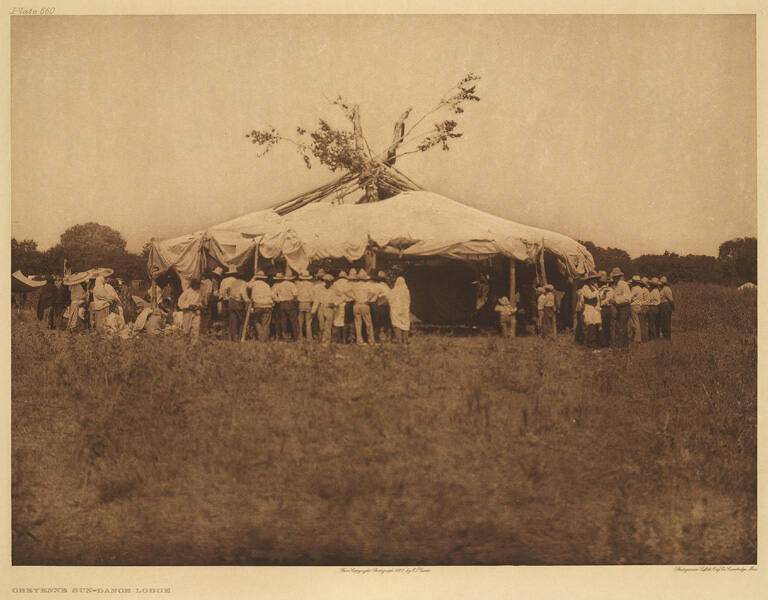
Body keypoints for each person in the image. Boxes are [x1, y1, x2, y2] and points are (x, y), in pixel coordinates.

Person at [219, 265, 249, 341]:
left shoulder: (224, 280)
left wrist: (225, 297)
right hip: (236, 301)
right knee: (239, 319)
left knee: (228, 319)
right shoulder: (239, 282)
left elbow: (222, 291)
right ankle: (239, 336)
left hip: (226, 300)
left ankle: (226, 336)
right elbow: (242, 292)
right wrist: (247, 300)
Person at [350, 269, 376, 345]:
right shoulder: (367, 285)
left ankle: (359, 341)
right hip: (364, 304)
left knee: (358, 324)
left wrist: (354, 298)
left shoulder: (354, 285)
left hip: (356, 304)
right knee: (368, 323)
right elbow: (373, 292)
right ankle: (371, 340)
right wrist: (368, 299)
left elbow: (346, 292)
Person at [246, 270, 274, 342]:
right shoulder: (267, 285)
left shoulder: (254, 284)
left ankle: (261, 336)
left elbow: (247, 285)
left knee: (255, 321)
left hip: (258, 305)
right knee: (266, 323)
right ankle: (265, 338)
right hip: (268, 305)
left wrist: (253, 278)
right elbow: (271, 294)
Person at [271, 270, 299, 340]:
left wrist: (278, 299)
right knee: (293, 321)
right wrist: (294, 300)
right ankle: (295, 337)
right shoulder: (292, 285)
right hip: (290, 303)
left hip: (282, 304)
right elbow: (295, 294)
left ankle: (284, 336)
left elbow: (273, 294)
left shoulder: (280, 285)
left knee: (283, 320)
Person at [312, 273, 338, 346]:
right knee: (321, 325)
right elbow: (317, 299)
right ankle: (322, 338)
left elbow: (342, 297)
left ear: (331, 282)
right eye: (326, 281)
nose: (327, 282)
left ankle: (327, 340)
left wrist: (335, 303)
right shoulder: (320, 289)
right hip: (321, 307)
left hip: (329, 307)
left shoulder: (335, 289)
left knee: (328, 325)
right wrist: (313, 310)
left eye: (329, 281)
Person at [580, 272, 602, 349]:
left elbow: (598, 299)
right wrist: (597, 292)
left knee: (595, 327)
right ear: (589, 280)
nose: (594, 281)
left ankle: (594, 344)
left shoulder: (595, 287)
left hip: (595, 309)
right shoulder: (585, 287)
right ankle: (591, 345)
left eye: (595, 279)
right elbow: (589, 296)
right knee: (591, 326)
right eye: (592, 279)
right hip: (589, 308)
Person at [610, 267, 631, 348]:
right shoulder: (615, 286)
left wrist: (616, 300)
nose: (615, 278)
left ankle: (622, 345)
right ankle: (622, 344)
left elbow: (627, 298)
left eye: (616, 276)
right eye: (614, 277)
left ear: (619, 276)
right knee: (619, 326)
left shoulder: (623, 284)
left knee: (622, 326)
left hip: (624, 307)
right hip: (618, 308)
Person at [388, 276, 411, 343]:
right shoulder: (406, 291)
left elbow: (390, 299)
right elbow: (409, 300)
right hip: (404, 310)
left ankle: (399, 341)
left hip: (396, 310)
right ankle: (405, 340)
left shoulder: (394, 290)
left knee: (397, 324)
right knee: (405, 324)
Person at [331, 270, 352, 343]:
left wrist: (335, 302)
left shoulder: (335, 283)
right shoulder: (347, 283)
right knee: (344, 322)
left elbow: (333, 294)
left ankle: (337, 339)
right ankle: (344, 339)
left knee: (336, 321)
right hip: (344, 303)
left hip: (336, 304)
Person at [370, 271, 391, 342]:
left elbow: (374, 295)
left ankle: (377, 338)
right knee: (386, 322)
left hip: (381, 305)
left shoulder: (377, 285)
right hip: (387, 305)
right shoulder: (386, 286)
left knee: (377, 322)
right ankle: (387, 337)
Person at [295, 270, 315, 342]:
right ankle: (309, 337)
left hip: (300, 303)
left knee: (300, 321)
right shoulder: (311, 285)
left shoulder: (298, 284)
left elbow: (296, 294)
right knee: (308, 321)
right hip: (308, 303)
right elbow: (313, 295)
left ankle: (300, 336)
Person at [199, 268, 221, 335]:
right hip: (208, 300)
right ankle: (206, 330)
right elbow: (213, 293)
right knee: (209, 316)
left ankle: (202, 330)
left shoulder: (201, 282)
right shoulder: (212, 282)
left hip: (200, 300)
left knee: (202, 316)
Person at [598, 271, 614, 347]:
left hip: (605, 308)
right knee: (605, 325)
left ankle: (605, 342)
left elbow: (604, 299)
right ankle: (605, 342)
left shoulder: (605, 290)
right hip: (605, 308)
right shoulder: (601, 290)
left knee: (605, 325)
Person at [658, 275, 675, 340]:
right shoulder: (663, 289)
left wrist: (673, 307)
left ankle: (667, 336)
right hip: (663, 305)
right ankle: (665, 335)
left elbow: (671, 299)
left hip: (666, 305)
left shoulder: (667, 289)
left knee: (666, 321)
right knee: (664, 321)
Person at [629, 275, 644, 343]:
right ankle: (635, 337)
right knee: (636, 322)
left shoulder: (634, 288)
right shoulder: (640, 289)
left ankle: (637, 338)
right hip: (639, 306)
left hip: (634, 306)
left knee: (635, 322)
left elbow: (630, 297)